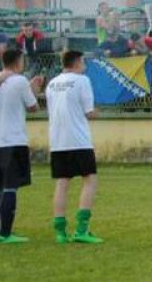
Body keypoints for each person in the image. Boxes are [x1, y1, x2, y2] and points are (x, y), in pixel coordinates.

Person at [46, 51, 103, 243]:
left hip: (57, 141)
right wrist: (99, 113)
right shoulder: (82, 80)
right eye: (83, 61)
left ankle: (60, 232)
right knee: (90, 180)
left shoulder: (52, 83)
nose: (84, 65)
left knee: (62, 183)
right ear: (77, 62)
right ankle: (81, 230)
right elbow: (88, 112)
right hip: (78, 140)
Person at [0, 50, 43, 243]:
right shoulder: (20, 81)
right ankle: (6, 234)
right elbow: (33, 107)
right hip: (13, 141)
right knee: (10, 188)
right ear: (18, 62)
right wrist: (34, 90)